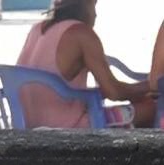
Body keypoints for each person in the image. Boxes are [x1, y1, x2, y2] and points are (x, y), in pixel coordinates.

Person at [15, 0, 153, 128]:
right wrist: (151, 85)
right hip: (69, 129)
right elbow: (114, 92)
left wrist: (138, 92)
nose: (96, 14)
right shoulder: (81, 33)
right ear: (85, 4)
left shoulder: (37, 29)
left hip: (30, 126)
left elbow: (48, 87)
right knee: (151, 108)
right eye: (94, 5)